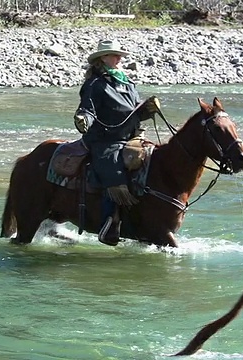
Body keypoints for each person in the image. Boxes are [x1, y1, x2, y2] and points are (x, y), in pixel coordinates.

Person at [73, 39, 160, 246]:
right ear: (103, 58)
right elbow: (88, 109)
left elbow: (134, 113)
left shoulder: (127, 83)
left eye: (119, 55)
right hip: (104, 140)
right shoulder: (94, 84)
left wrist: (148, 109)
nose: (119, 58)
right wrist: (84, 119)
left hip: (131, 137)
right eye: (114, 55)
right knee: (116, 176)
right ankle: (108, 225)